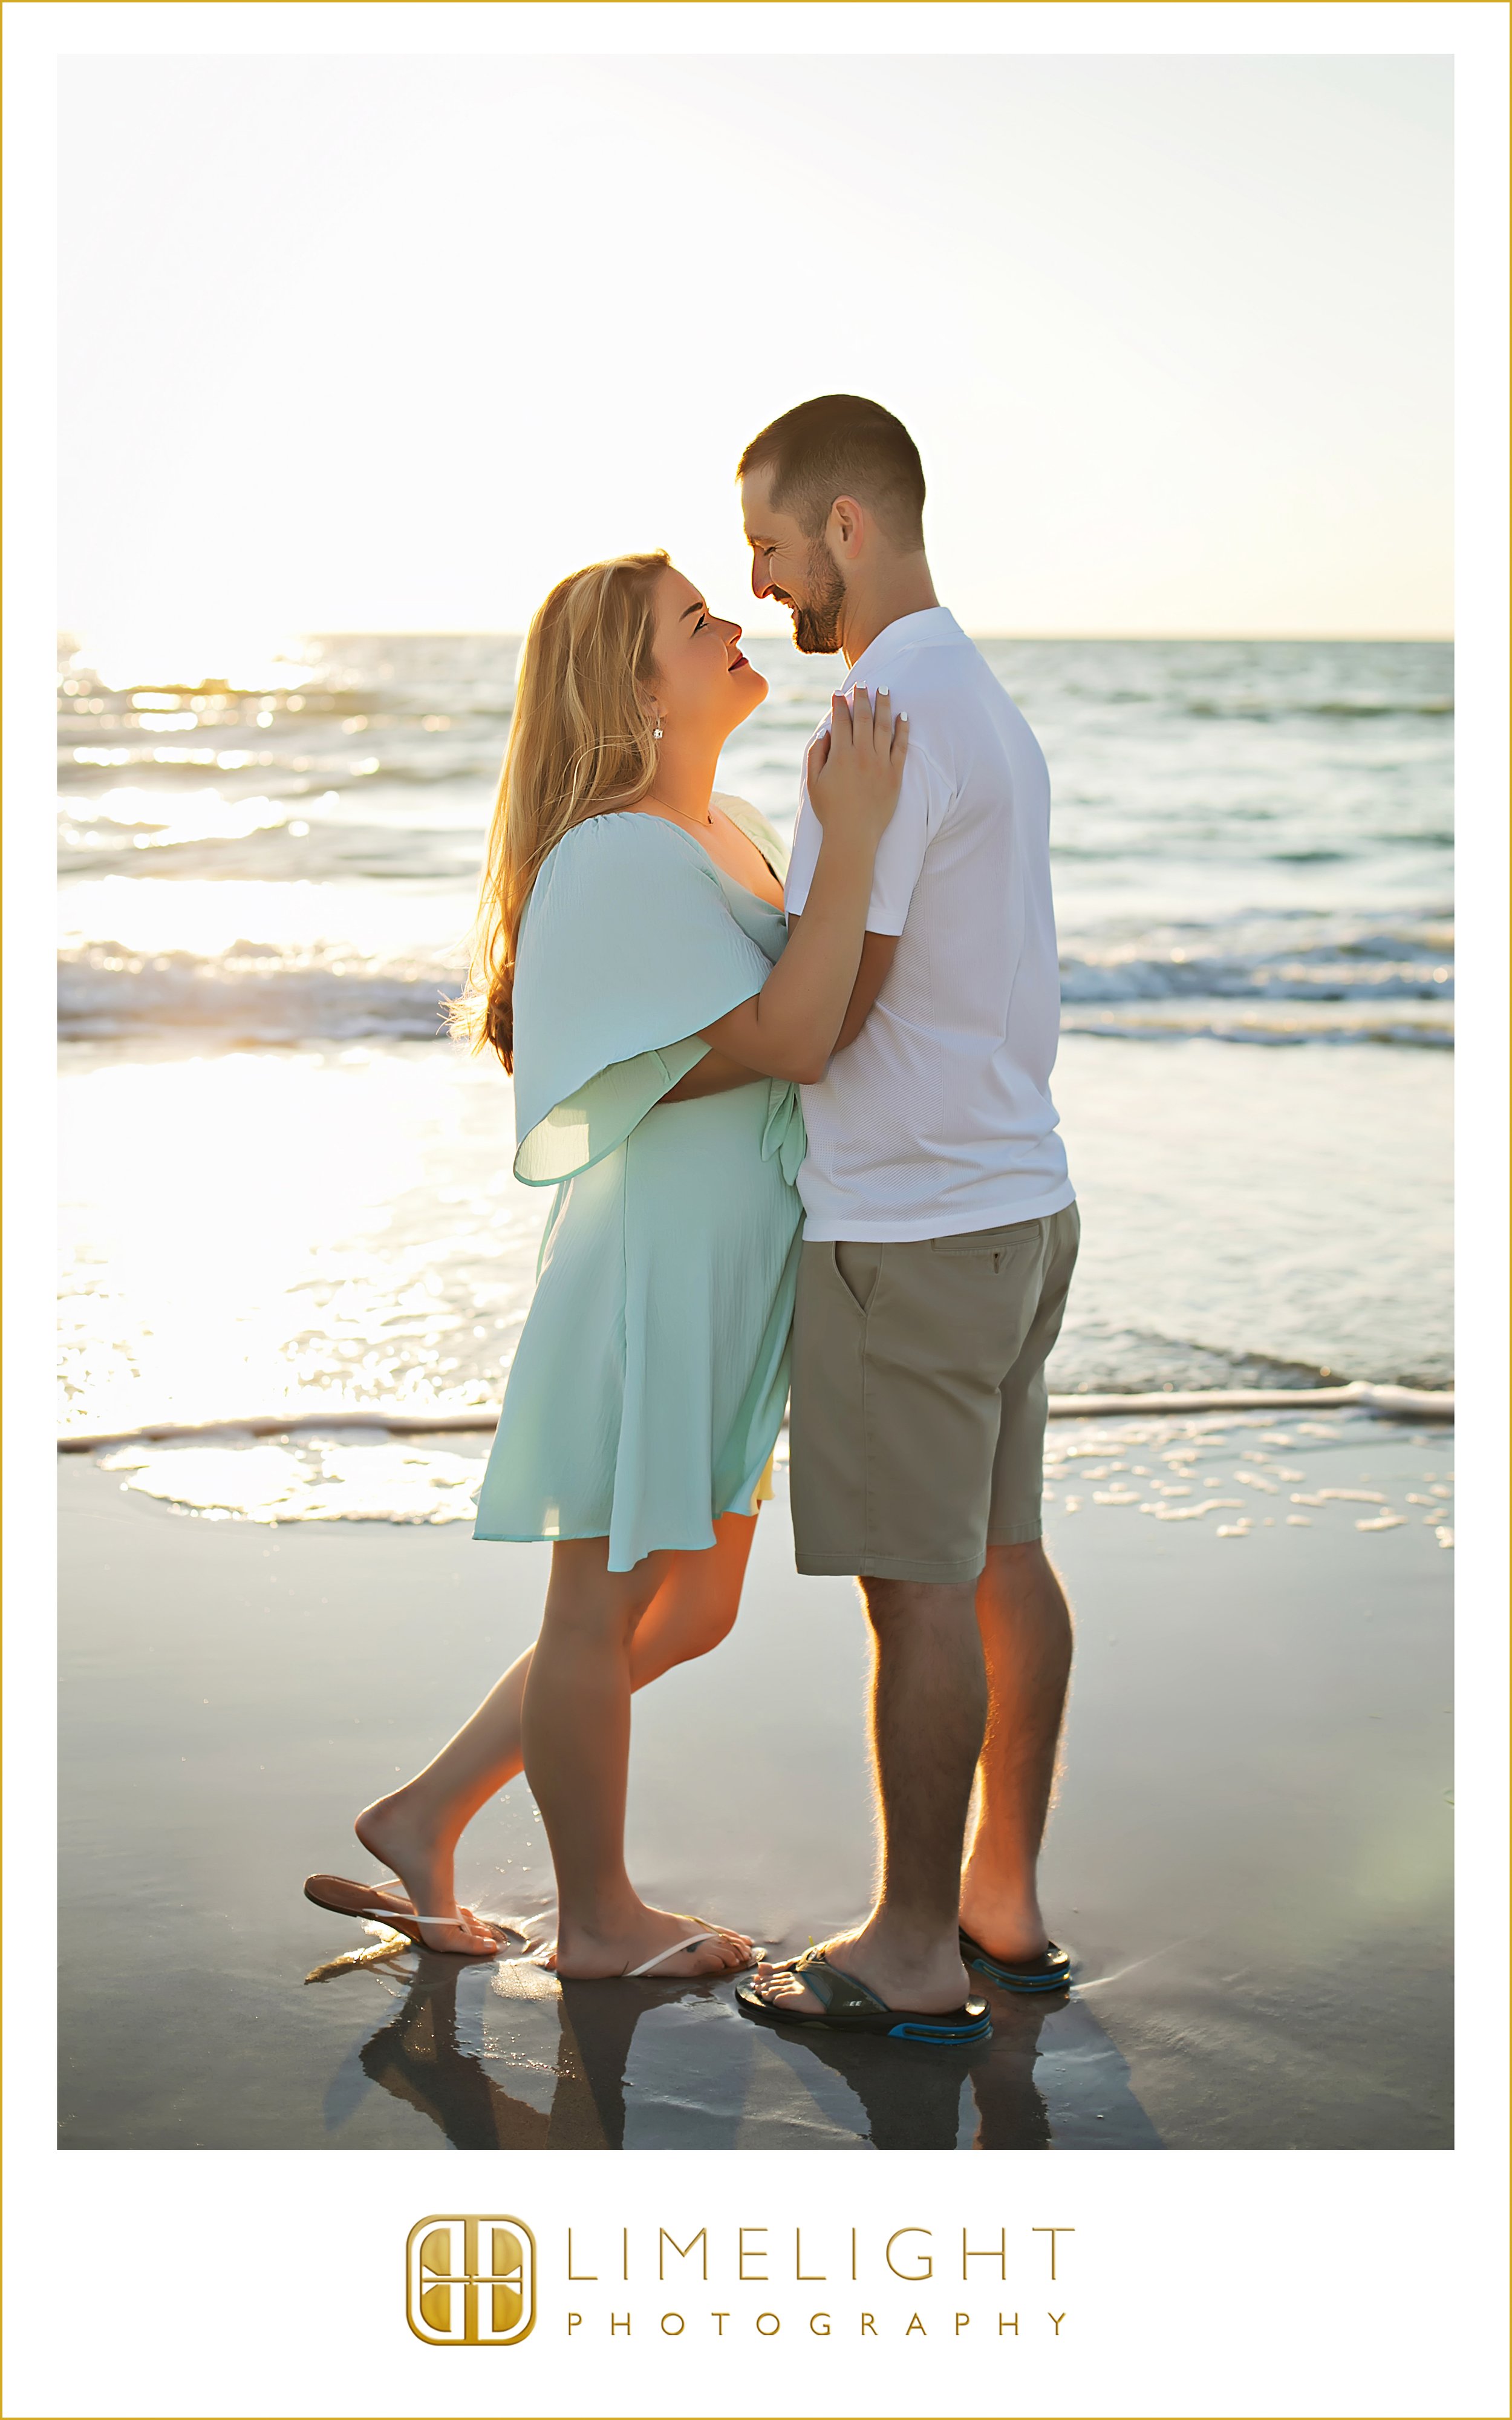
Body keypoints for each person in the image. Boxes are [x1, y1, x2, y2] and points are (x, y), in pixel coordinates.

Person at [305, 548, 907, 1980]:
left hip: (733, 1270)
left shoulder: (736, 826)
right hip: (651, 1271)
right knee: (596, 1604)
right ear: (632, 687)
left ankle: (426, 1806)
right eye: (696, 623)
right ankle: (595, 1919)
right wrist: (865, 831)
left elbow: (817, 1003)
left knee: (691, 1606)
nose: (736, 624)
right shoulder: (619, 851)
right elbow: (784, 1038)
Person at [734, 396, 1080, 2045]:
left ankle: (913, 1946)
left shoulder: (877, 711)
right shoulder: (973, 694)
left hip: (909, 1230)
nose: (760, 580)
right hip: (1015, 1198)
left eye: (773, 543)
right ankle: (996, 1904)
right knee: (999, 1555)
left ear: (847, 528)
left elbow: (826, 1016)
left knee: (916, 1592)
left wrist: (655, 1066)